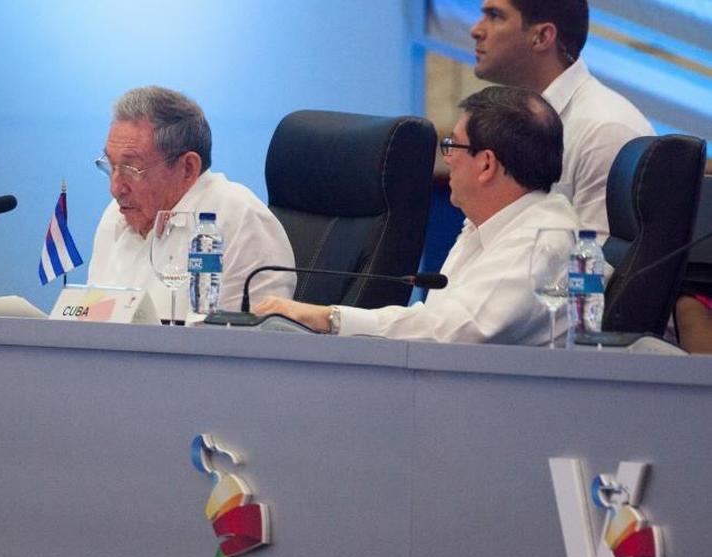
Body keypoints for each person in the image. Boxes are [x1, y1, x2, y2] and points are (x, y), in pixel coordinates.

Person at [255, 86, 578, 345]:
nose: (447, 158)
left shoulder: (541, 241)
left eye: (453, 145)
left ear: (486, 164)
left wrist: (327, 317)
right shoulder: (488, 222)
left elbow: (450, 332)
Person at [88, 86, 295, 321]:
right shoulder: (116, 215)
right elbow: (93, 323)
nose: (115, 188)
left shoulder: (238, 218)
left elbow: (249, 342)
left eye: (131, 169)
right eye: (111, 167)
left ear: (188, 168)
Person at [470, 0, 653, 247]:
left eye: (495, 16)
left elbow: (597, 271)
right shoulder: (509, 122)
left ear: (542, 36)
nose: (476, 30)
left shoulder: (605, 130)